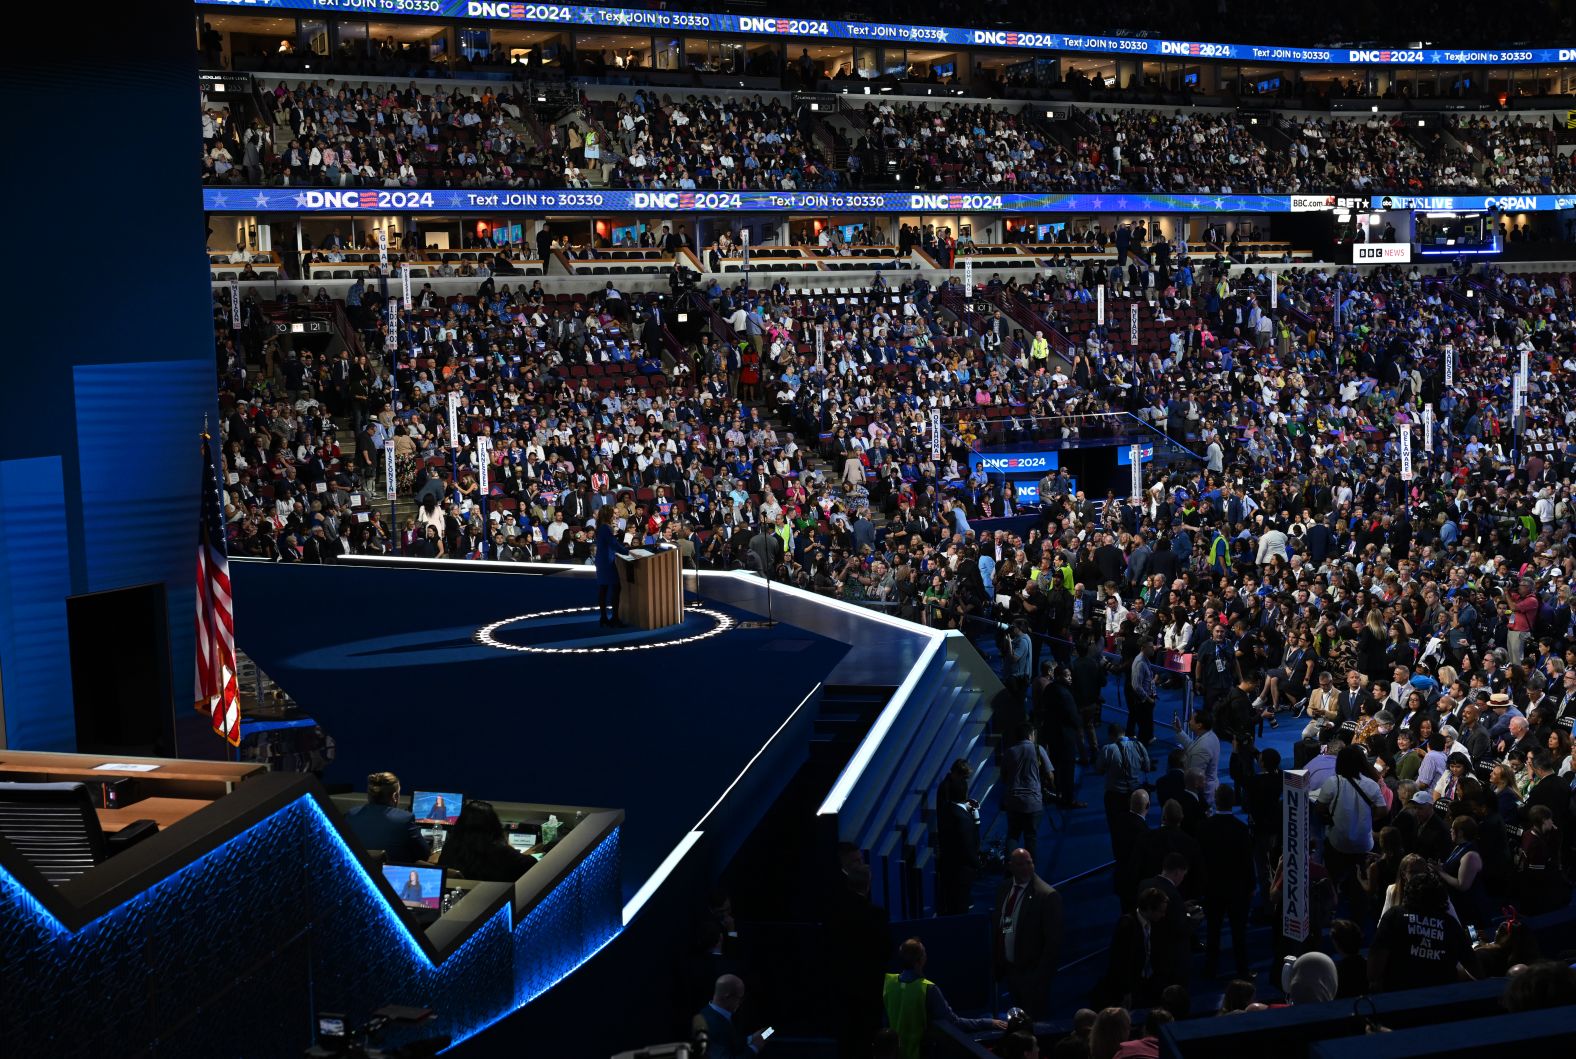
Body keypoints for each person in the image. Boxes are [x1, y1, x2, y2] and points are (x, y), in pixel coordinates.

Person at [884, 937, 1005, 1058]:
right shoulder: (927, 988)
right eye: (924, 952)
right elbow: (954, 1023)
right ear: (920, 961)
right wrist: (988, 1022)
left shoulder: (888, 981)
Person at [1368, 870, 1479, 993]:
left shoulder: (1394, 916)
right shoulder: (1450, 923)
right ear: (1441, 896)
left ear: (1408, 893)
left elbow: (1374, 970)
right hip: (1445, 998)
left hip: (1400, 997)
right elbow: (1476, 969)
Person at [993, 848, 1064, 1019]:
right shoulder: (1004, 889)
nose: (1026, 867)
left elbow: (1053, 943)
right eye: (1020, 864)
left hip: (1032, 976)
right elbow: (1005, 923)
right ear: (1010, 866)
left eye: (1029, 863)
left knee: (1035, 1022)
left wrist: (1040, 978)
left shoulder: (1046, 896)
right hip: (1011, 970)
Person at [1197, 785, 1254, 979]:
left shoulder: (1204, 827)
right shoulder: (1241, 829)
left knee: (1213, 929)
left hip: (1212, 888)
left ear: (1215, 799)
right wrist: (1251, 885)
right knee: (1239, 932)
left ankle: (1210, 968)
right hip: (1237, 888)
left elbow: (1201, 860)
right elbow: (1247, 861)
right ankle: (1243, 970)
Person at [1099, 887, 1170, 1008]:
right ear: (1148, 909)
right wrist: (1126, 991)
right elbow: (1120, 962)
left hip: (1147, 983)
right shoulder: (1127, 926)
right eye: (1160, 911)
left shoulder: (1155, 923)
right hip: (1131, 987)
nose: (1163, 915)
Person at [435, 800, 534, 883]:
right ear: (494, 825)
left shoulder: (450, 847)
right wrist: (510, 848)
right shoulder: (501, 852)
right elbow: (531, 864)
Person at [998, 723, 1056, 861]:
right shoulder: (1037, 749)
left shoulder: (1010, 751)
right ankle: (1030, 870)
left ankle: (1009, 868)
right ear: (1031, 734)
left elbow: (1004, 777)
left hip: (1013, 801)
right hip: (1033, 801)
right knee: (1031, 837)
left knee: (1012, 835)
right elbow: (1050, 774)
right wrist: (1052, 787)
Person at [344, 771, 430, 862]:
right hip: (392, 875)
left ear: (369, 795)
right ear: (395, 796)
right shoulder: (405, 819)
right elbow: (424, 855)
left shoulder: (351, 814)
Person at [936, 764, 981, 915]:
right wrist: (978, 864)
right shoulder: (962, 819)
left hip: (950, 865)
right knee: (959, 908)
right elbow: (967, 845)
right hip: (960, 869)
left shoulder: (950, 807)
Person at [693, 975, 768, 1058]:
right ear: (727, 997)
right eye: (740, 998)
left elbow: (728, 1043)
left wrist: (750, 1039)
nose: (740, 1003)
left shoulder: (711, 1012)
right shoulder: (711, 1025)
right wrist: (754, 1047)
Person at [593, 504, 630, 626]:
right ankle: (614, 617)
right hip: (607, 561)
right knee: (616, 587)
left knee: (603, 589)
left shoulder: (601, 526)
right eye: (613, 513)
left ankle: (604, 617)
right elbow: (614, 544)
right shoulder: (606, 527)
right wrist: (627, 551)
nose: (615, 515)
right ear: (608, 514)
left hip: (602, 560)